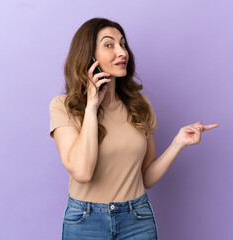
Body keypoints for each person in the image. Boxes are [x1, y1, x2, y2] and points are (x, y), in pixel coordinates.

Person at [49, 17, 219, 240]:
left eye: (123, 44)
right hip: (85, 221)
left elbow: (146, 177)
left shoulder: (140, 105)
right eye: (109, 45)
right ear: (88, 56)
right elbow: (82, 172)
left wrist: (178, 142)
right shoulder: (64, 107)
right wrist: (92, 107)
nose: (122, 52)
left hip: (137, 219)